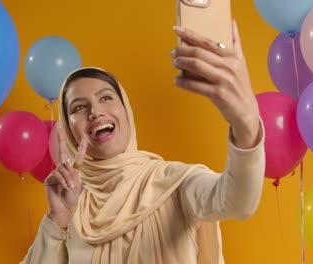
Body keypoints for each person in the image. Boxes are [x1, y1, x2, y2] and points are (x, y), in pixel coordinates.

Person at [21, 21, 265, 264]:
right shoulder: (72, 212)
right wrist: (57, 219)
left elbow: (238, 202)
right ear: (70, 132)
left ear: (126, 111)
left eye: (106, 98)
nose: (95, 112)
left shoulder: (175, 183)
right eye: (79, 107)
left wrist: (246, 126)